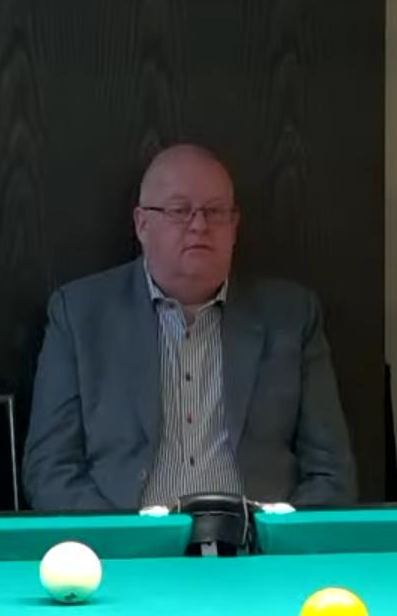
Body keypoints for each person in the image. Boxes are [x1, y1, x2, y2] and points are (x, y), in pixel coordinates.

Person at [22, 143, 356, 511]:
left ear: (234, 226)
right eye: (180, 211)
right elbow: (49, 470)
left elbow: (331, 473)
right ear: (142, 225)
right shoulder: (79, 315)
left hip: (256, 541)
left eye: (215, 211)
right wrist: (121, 537)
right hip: (129, 540)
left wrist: (276, 533)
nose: (199, 226)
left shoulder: (291, 316)